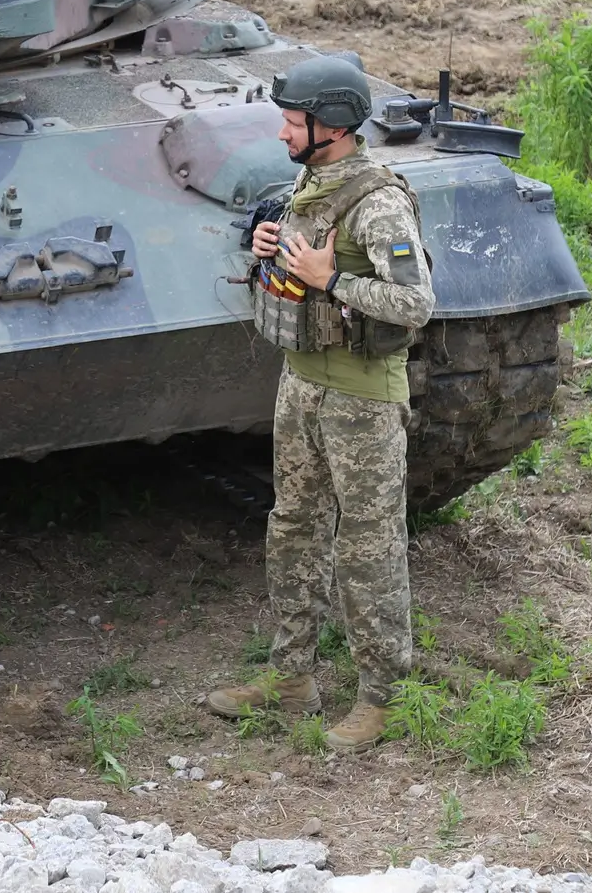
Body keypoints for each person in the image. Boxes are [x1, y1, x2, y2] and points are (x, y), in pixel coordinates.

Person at [204, 55, 436, 752]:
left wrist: (330, 276)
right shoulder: (312, 179)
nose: (280, 132)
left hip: (362, 396)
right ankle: (291, 677)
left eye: (291, 120)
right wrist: (269, 247)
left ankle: (385, 697)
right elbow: (294, 274)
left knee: (368, 545)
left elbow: (415, 302)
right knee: (294, 527)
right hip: (301, 382)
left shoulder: (379, 201)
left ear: (328, 125)